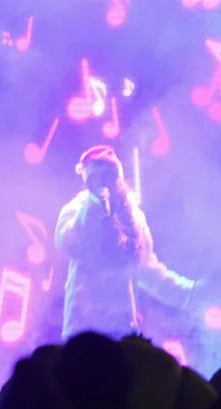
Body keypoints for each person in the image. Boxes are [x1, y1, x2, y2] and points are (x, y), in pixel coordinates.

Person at [53, 145, 195, 339]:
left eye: (108, 177)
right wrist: (95, 206)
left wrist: (188, 294)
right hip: (83, 328)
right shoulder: (78, 208)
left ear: (118, 179)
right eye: (97, 178)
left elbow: (147, 269)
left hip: (120, 328)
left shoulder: (134, 217)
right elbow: (68, 243)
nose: (103, 183)